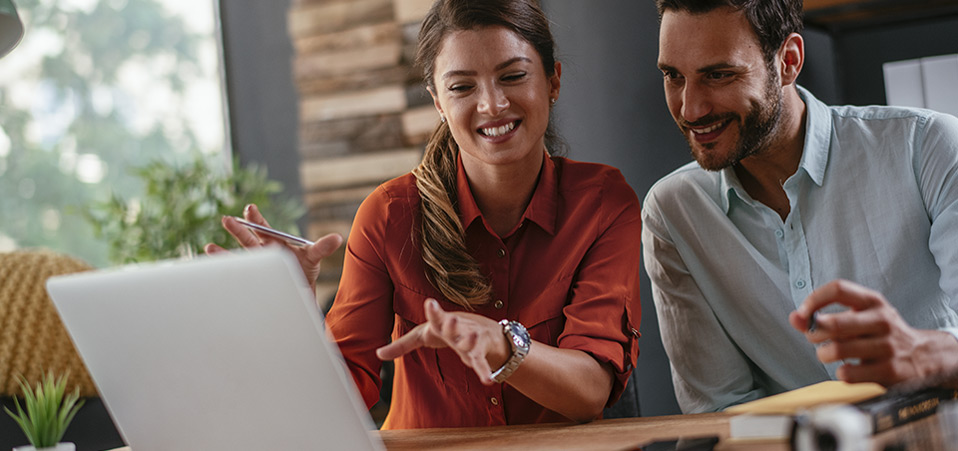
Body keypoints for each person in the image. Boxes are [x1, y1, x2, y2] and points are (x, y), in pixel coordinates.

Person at [208, 0, 642, 428]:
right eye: (461, 87)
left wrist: (501, 344)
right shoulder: (388, 216)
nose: (491, 105)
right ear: (437, 101)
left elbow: (590, 392)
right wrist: (292, 311)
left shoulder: (603, 203)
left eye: (512, 76)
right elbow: (336, 406)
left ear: (553, 81)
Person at [642, 0, 958, 414]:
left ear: (788, 61)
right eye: (673, 76)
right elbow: (721, 411)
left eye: (719, 75)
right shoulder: (672, 214)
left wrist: (926, 356)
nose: (690, 108)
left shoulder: (927, 146)